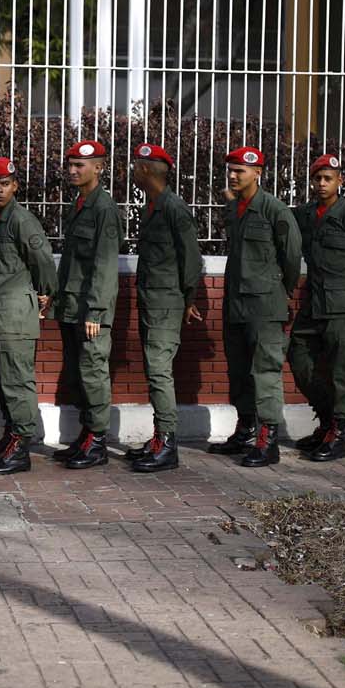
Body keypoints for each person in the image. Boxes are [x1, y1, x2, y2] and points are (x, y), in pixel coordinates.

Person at [211, 146, 301, 467]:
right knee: (239, 370)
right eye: (231, 171)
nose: (234, 176)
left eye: (241, 171)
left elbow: (291, 257)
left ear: (258, 173)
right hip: (236, 303)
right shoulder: (236, 209)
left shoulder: (275, 210)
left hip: (265, 305)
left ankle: (268, 438)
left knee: (264, 373)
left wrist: (281, 292)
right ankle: (246, 429)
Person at [289, 154, 345, 462]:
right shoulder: (305, 215)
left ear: (341, 181)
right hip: (313, 304)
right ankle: (326, 421)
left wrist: (343, 286)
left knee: (342, 371)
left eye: (329, 178)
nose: (322, 183)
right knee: (298, 357)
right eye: (318, 178)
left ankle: (338, 435)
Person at [0, 156, 57, 475]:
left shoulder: (21, 220)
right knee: (5, 381)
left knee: (17, 381)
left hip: (16, 315)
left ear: (15, 186)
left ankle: (20, 446)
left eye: (5, 184)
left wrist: (46, 292)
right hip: (0, 314)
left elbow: (43, 260)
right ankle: (10, 438)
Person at [126, 144, 202, 474]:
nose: (132, 171)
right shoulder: (153, 206)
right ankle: (159, 437)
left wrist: (188, 299)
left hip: (167, 304)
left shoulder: (173, 208)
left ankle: (168, 444)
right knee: (154, 371)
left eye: (136, 166)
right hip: (152, 301)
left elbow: (192, 259)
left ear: (147, 171)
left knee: (159, 373)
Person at [51, 140, 121, 469]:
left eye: (80, 165)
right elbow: (72, 261)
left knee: (93, 372)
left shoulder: (103, 208)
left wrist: (96, 311)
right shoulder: (79, 204)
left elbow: (104, 265)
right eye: (71, 164)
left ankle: (98, 440)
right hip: (71, 305)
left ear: (99, 168)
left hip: (90, 310)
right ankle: (86, 435)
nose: (73, 170)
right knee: (79, 373)